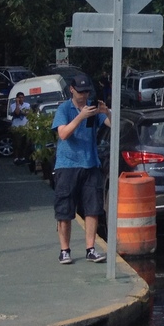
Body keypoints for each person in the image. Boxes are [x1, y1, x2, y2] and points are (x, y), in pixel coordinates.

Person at [51, 73, 110, 265]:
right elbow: (64, 134)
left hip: (90, 163)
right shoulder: (64, 109)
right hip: (67, 165)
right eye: (80, 92)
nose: (84, 96)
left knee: (92, 209)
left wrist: (105, 112)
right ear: (72, 90)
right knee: (65, 210)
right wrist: (80, 117)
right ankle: (65, 250)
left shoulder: (92, 107)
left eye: (86, 92)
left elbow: (112, 125)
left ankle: (91, 249)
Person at [9, 91, 32, 164]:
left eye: (22, 97)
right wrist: (17, 104)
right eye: (19, 98)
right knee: (17, 143)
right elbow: (17, 112)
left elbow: (28, 113)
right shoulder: (13, 105)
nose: (21, 99)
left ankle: (23, 157)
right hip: (16, 127)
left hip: (25, 126)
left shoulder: (27, 105)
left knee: (25, 143)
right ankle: (16, 158)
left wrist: (22, 113)